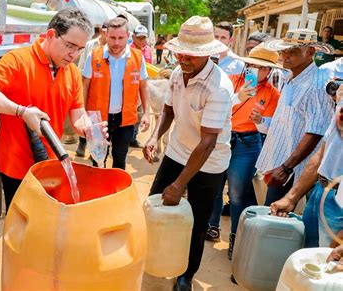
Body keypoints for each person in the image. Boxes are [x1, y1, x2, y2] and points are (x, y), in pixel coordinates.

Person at [0, 8, 101, 210]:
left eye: (80, 49)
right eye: (70, 46)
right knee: (21, 226)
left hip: (53, 164)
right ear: (51, 35)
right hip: (17, 166)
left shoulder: (71, 72)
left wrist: (87, 127)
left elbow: (77, 112)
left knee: (47, 223)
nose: (74, 55)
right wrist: (21, 111)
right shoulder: (19, 60)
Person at [143, 16, 233, 291]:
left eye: (191, 54)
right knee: (154, 204)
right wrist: (155, 137)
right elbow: (169, 110)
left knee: (196, 221)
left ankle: (185, 276)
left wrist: (179, 185)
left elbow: (207, 143)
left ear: (206, 54)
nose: (183, 58)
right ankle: (155, 255)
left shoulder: (219, 87)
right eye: (180, 51)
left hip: (209, 164)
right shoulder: (176, 74)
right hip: (177, 152)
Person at [206, 45, 281, 259]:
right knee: (214, 185)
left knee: (237, 195)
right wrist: (237, 96)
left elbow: (270, 126)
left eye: (262, 68)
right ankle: (212, 226)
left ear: (270, 71)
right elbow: (214, 107)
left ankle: (235, 238)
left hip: (247, 143)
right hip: (221, 138)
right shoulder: (229, 80)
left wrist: (261, 121)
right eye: (252, 65)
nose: (256, 70)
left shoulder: (272, 94)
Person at [255, 29, 334, 205]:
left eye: (293, 52)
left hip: (295, 169)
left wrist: (286, 168)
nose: (286, 56)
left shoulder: (317, 85)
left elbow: (315, 132)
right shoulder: (290, 77)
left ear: (311, 52)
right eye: (284, 51)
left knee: (276, 220)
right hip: (280, 160)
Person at [269, 87, 342, 247]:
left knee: (328, 265)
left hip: (339, 204)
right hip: (320, 192)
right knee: (308, 258)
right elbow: (321, 156)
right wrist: (291, 197)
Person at [83, 16, 150, 169]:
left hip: (125, 119)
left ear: (128, 36)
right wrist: (83, 113)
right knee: (98, 158)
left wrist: (146, 113)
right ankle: (98, 189)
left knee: (120, 157)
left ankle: (116, 190)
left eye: (121, 38)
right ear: (106, 35)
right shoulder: (94, 56)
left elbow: (144, 86)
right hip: (98, 119)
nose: (116, 43)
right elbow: (85, 85)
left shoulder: (137, 58)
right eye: (112, 38)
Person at [75, 19, 109, 157]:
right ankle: (82, 143)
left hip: (103, 89)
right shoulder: (90, 45)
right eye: (107, 31)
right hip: (88, 85)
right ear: (102, 30)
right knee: (86, 115)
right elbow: (81, 66)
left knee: (100, 120)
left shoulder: (113, 48)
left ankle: (95, 150)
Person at [130, 24, 153, 148]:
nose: (141, 40)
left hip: (143, 86)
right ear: (133, 37)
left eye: (143, 38)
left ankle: (133, 138)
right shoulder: (128, 50)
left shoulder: (148, 50)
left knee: (139, 115)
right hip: (130, 87)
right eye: (139, 38)